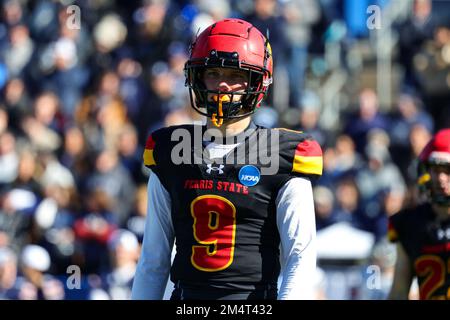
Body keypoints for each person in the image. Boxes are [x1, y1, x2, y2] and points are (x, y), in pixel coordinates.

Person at [131, 18, 323, 300]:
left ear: (257, 82)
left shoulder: (283, 154)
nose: (222, 84)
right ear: (196, 78)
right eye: (213, 73)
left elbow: (301, 257)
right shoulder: (170, 151)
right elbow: (153, 261)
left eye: (236, 76)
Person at [388, 128, 450, 300]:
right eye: (436, 170)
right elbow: (399, 292)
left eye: (448, 170)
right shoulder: (409, 224)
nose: (441, 178)